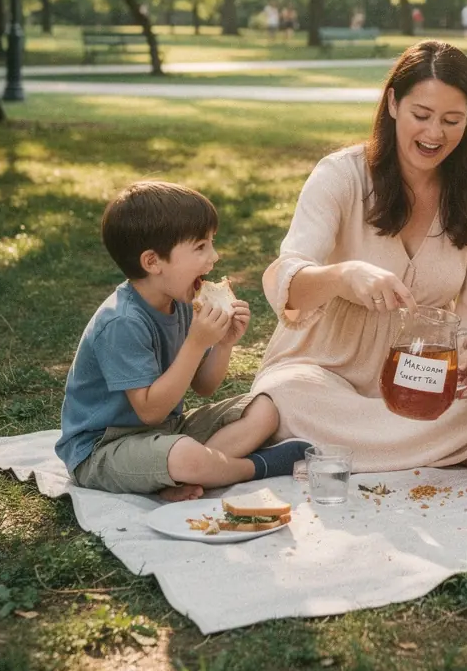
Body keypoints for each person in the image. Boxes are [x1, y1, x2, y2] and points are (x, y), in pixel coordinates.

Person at [251, 40, 467, 474]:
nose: (434, 134)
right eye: (421, 115)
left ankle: (333, 451)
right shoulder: (340, 175)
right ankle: (443, 449)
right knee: (287, 393)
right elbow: (288, 281)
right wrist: (344, 276)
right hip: (326, 370)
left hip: (425, 377)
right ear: (392, 104)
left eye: (452, 120)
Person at [55, 181, 308, 501]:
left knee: (265, 409)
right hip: (103, 448)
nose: (214, 257)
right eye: (201, 246)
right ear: (152, 262)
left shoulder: (184, 301)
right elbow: (150, 412)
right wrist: (195, 343)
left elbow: (204, 387)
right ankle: (252, 467)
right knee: (186, 455)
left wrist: (224, 344)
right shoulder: (122, 322)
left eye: (211, 243)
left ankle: (182, 477)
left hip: (167, 430)